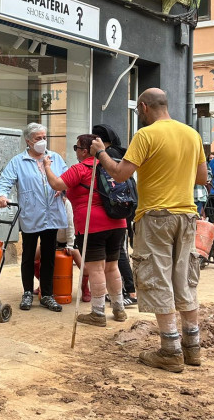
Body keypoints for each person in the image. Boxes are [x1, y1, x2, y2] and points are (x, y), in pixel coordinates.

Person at [89, 88, 207, 372]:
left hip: (155, 217)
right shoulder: (192, 134)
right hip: (187, 215)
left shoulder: (145, 135)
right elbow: (202, 177)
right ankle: (193, 348)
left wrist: (100, 152)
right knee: (184, 279)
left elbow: (119, 174)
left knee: (158, 279)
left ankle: (170, 350)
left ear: (143, 107)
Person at [43, 134, 128, 326]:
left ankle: (98, 313)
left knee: (97, 268)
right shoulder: (111, 164)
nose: (76, 151)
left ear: (84, 151)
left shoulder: (80, 168)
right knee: (112, 267)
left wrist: (47, 167)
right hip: (118, 222)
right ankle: (119, 309)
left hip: (93, 224)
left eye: (76, 148)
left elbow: (56, 184)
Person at [0, 123, 68, 313]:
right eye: (38, 138)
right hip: (31, 214)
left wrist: (64, 189)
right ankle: (27, 292)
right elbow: (5, 181)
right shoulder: (18, 161)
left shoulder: (55, 158)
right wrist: (2, 196)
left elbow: (67, 178)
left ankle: (47, 295)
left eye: (44, 137)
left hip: (52, 214)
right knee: (28, 256)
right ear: (28, 141)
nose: (42, 141)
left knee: (49, 256)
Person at [92, 124, 137, 307]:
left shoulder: (107, 155)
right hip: (127, 206)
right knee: (120, 251)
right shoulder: (123, 152)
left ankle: (131, 292)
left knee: (119, 253)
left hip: (114, 209)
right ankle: (127, 290)